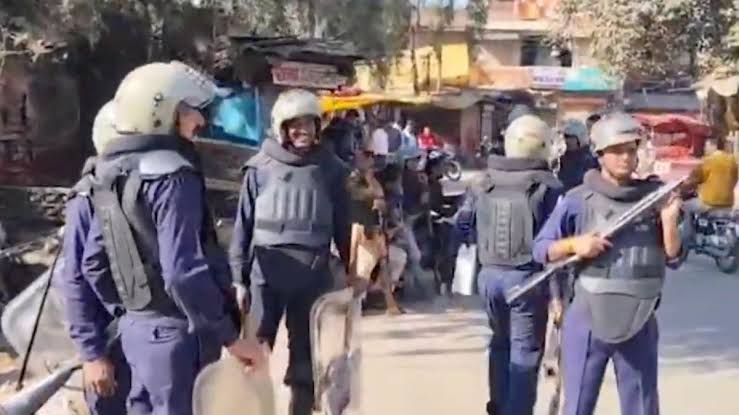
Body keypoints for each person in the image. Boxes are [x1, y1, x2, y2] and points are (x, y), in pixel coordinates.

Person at [80, 62, 265, 415]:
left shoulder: (109, 174)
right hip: (178, 337)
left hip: (135, 333)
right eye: (191, 110)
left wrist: (136, 312)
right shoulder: (173, 175)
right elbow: (182, 272)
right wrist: (229, 337)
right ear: (163, 112)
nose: (200, 120)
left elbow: (94, 264)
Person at [532, 112, 682, 415]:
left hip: (640, 317)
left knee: (643, 406)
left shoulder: (656, 199)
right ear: (600, 154)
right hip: (588, 315)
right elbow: (541, 249)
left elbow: (674, 257)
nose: (625, 157)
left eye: (631, 149)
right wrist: (575, 245)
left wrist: (669, 221)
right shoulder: (578, 200)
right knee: (577, 405)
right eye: (616, 150)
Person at [228, 88, 352, 415]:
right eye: (295, 125)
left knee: (305, 363)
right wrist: (238, 278)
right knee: (253, 356)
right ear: (281, 127)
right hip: (265, 275)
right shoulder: (259, 168)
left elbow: (343, 225)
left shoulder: (332, 169)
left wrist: (352, 271)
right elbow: (243, 226)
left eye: (309, 124)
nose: (303, 131)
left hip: (312, 274)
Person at [456, 114, 563, 415]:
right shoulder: (548, 186)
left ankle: (498, 406)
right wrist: (558, 296)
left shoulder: (482, 182)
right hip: (528, 280)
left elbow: (461, 227)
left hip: (489, 277)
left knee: (500, 344)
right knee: (525, 354)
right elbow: (555, 246)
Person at [57, 101, 136, 415]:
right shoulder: (88, 198)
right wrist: (92, 354)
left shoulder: (144, 189)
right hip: (111, 340)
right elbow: (76, 278)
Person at [346, 142, 405, 314]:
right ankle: (353, 305)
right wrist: (371, 184)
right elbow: (366, 196)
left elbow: (383, 204)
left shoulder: (372, 178)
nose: (371, 159)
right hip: (362, 229)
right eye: (367, 156)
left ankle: (388, 302)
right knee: (363, 270)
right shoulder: (353, 179)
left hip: (376, 229)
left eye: (371, 156)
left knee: (388, 264)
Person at [683, 137, 738, 244]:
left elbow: (695, 179)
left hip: (709, 203)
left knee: (685, 207)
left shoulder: (708, 161)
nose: (705, 148)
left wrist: (683, 186)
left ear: (713, 146)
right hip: (728, 203)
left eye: (706, 146)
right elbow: (735, 179)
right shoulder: (732, 160)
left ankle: (687, 239)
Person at [556, 119, 600, 192]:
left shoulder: (590, 161)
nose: (565, 140)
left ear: (579, 138)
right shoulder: (562, 159)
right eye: (564, 136)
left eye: (568, 136)